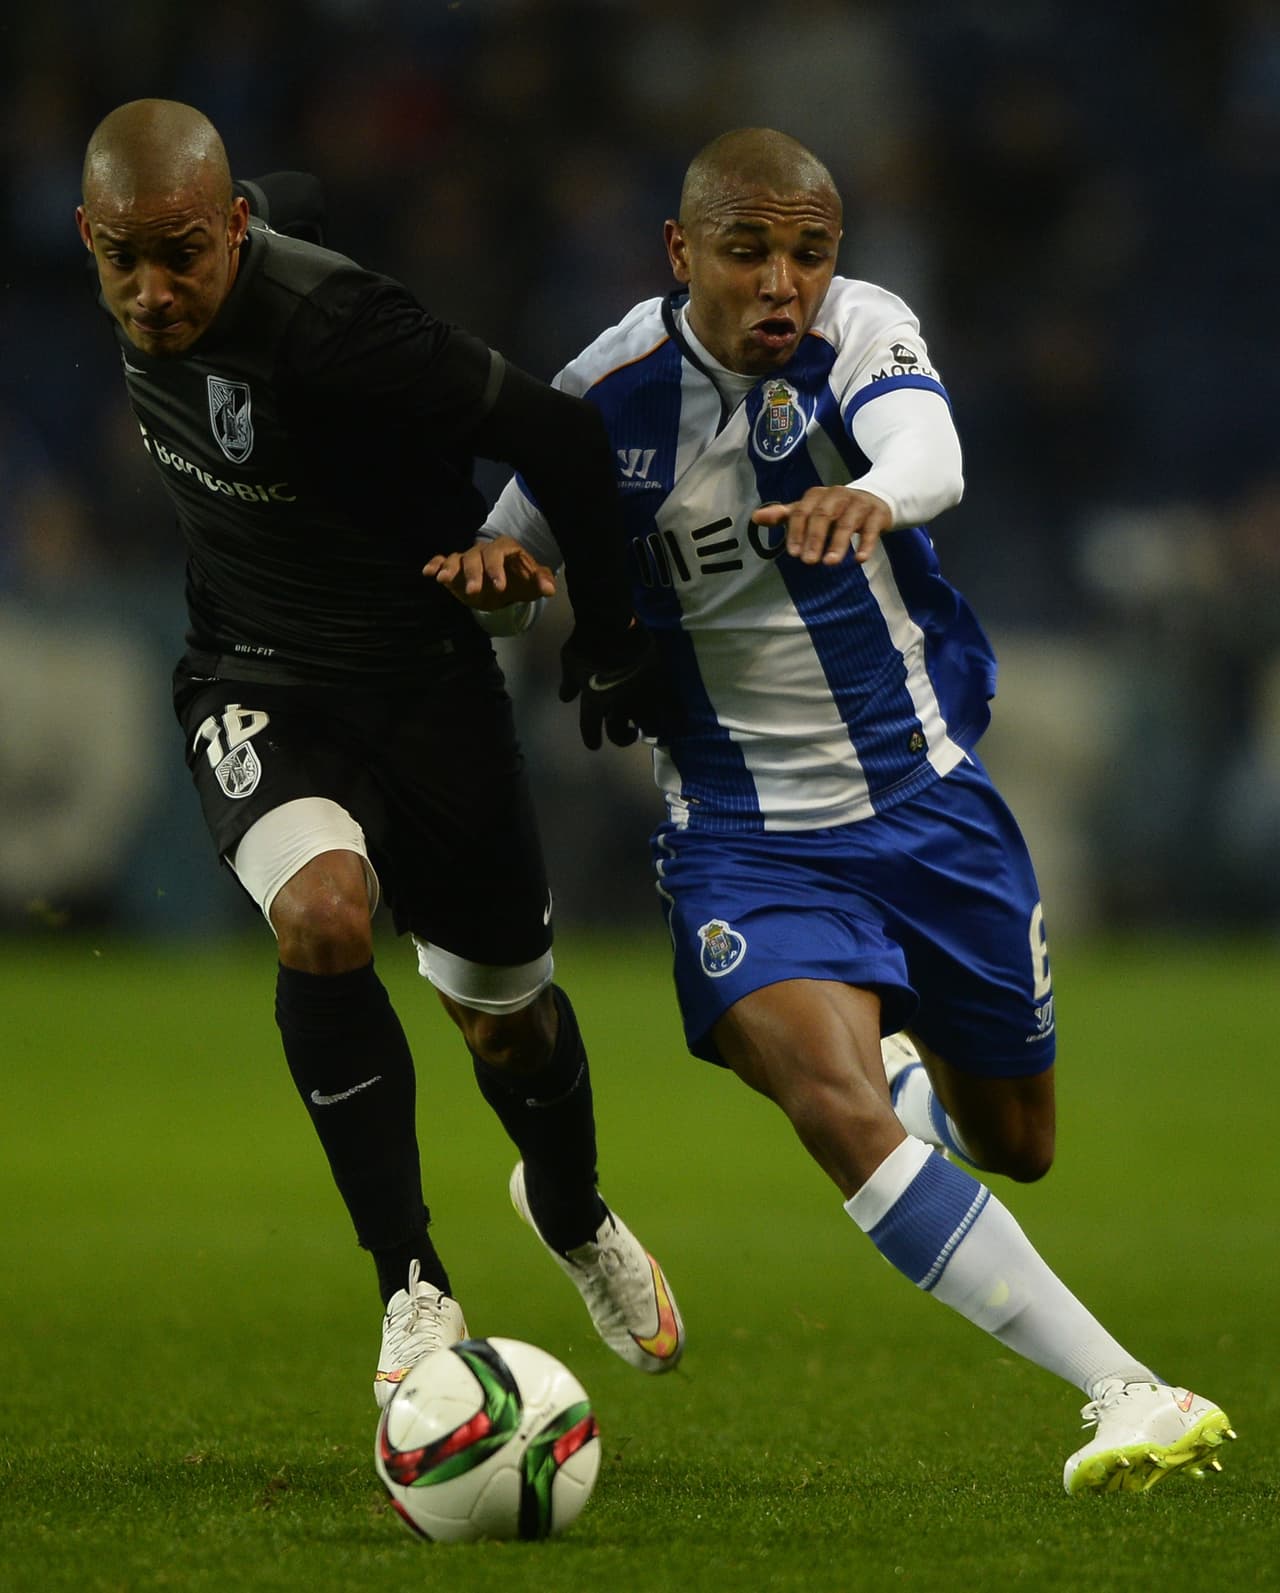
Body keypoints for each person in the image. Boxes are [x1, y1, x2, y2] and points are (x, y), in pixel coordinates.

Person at [427, 127, 1235, 1495]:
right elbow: (514, 552)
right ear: (681, 253)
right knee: (831, 1105)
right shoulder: (602, 396)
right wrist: (504, 578)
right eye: (747, 251)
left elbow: (932, 450)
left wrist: (868, 494)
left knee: (1019, 1145)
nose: (781, 282)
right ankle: (1130, 1389)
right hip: (742, 841)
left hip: (929, 806)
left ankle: (911, 1074)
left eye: (807, 252)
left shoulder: (861, 327)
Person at [75, 98, 685, 1407]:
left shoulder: (343, 329)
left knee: (505, 1024)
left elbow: (561, 436)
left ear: (234, 229)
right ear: (88, 235)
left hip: (426, 688)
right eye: (123, 257)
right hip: (253, 677)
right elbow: (286, 187)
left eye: (183, 254)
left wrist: (614, 636)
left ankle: (571, 1211)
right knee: (321, 915)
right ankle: (413, 1286)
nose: (152, 291)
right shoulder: (164, 252)